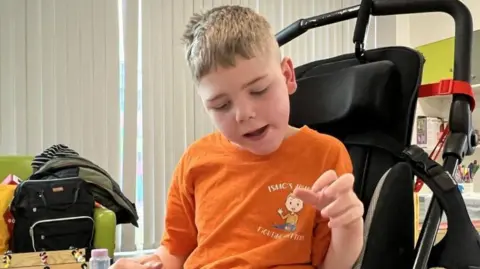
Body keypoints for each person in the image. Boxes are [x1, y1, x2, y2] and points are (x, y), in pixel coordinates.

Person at [111, 5, 364, 269]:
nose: (243, 114)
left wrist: (349, 227)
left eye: (259, 90)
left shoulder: (324, 155)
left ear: (287, 76)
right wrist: (145, 265)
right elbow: (175, 253)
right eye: (221, 105)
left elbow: (331, 265)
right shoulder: (196, 160)